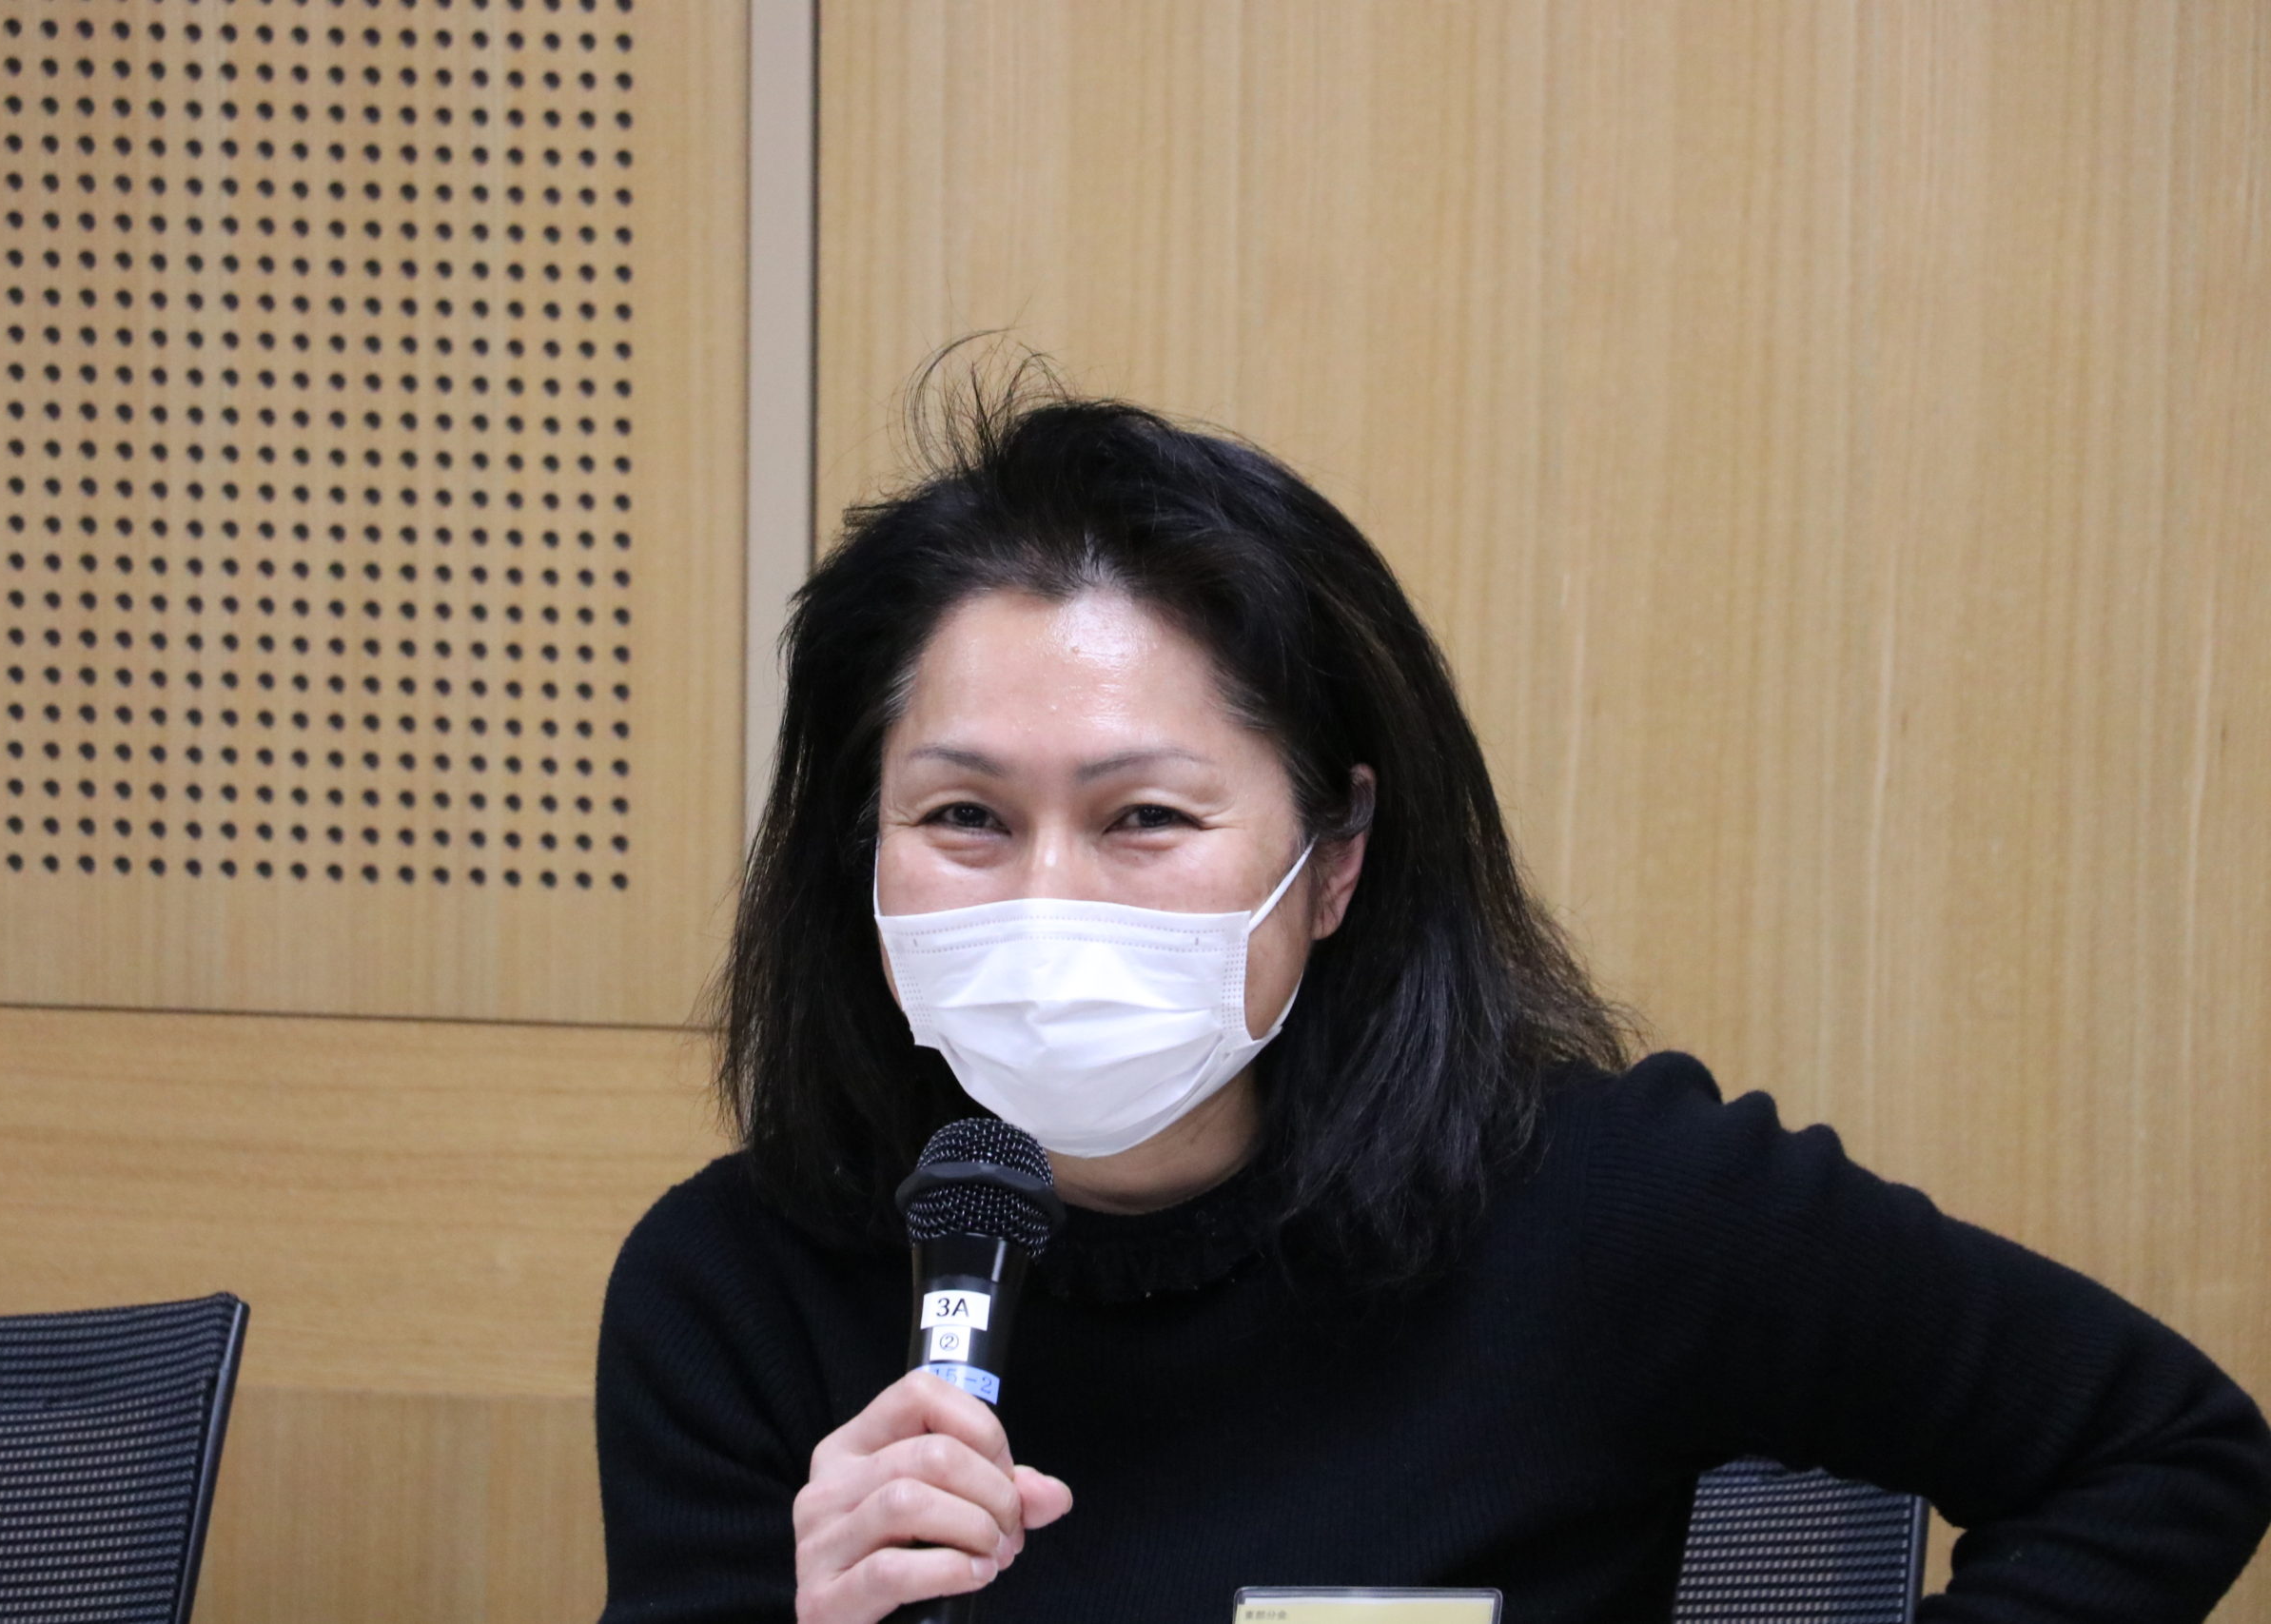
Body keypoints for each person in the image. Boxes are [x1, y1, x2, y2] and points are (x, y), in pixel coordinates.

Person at [595, 371, 2271, 1624]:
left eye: (1145, 818)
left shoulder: (1612, 1205)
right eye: (965, 816)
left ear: (1333, 861)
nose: (1049, 899)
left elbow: (2164, 1450)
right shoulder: (734, 1289)